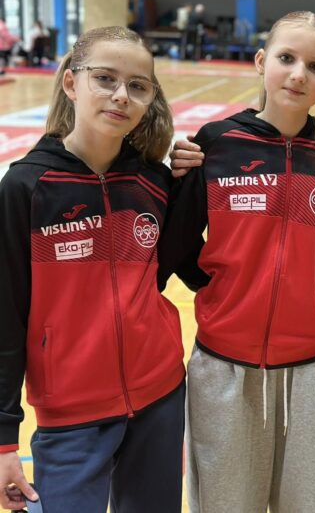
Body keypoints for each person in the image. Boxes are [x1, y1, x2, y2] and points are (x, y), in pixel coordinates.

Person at [159, 11, 315, 513]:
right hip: (224, 367)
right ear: (261, 61)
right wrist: (218, 286)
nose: (298, 75)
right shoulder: (216, 144)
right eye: (286, 58)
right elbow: (174, 244)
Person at [0, 26, 185, 512]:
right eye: (105, 78)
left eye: (137, 86)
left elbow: (181, 265)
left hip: (160, 396)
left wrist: (197, 177)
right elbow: (5, 317)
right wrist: (2, 440)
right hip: (71, 414)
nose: (121, 95)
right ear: (71, 83)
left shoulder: (155, 183)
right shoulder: (26, 188)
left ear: (149, 98)